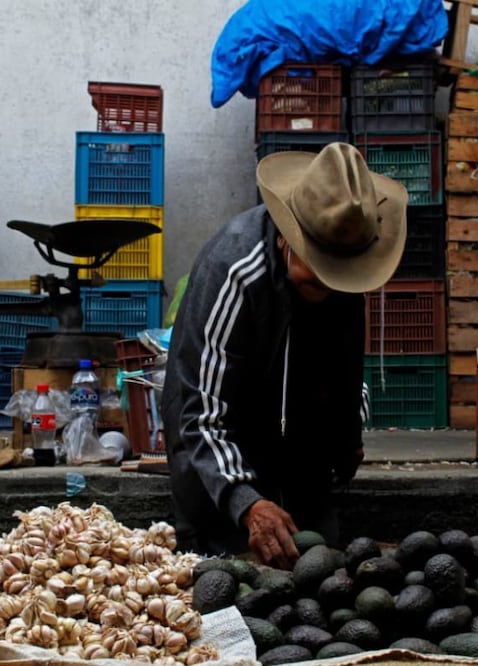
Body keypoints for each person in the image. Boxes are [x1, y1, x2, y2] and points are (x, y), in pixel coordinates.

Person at [161, 142, 408, 569]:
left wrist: (347, 440)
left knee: (318, 573)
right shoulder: (236, 273)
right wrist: (247, 503)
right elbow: (201, 413)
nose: (330, 291)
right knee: (230, 579)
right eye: (317, 281)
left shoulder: (346, 264)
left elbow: (347, 364)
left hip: (301, 451)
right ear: (285, 240)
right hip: (220, 457)